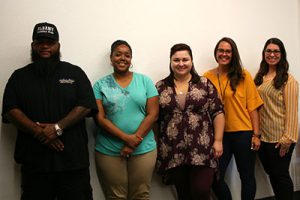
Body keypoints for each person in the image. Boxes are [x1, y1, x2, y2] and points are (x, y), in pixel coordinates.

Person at [1, 22, 98, 200]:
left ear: (58, 45)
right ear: (33, 45)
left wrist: (57, 128)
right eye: (40, 42)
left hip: (72, 164)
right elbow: (9, 110)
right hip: (35, 164)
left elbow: (86, 105)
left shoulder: (74, 73)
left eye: (50, 42)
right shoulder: (19, 76)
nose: (45, 46)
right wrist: (40, 132)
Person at [155, 43, 225, 200]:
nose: (181, 64)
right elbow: (155, 118)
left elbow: (218, 112)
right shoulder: (160, 87)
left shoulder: (204, 84)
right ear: (170, 62)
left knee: (201, 190)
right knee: (183, 193)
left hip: (202, 147)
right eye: (176, 60)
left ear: (191, 61)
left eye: (185, 59)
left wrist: (218, 140)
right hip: (173, 150)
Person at [93, 40, 159, 200]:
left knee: (141, 195)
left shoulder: (145, 81)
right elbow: (99, 118)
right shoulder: (99, 85)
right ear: (111, 58)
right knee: (116, 196)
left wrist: (134, 141)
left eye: (127, 55)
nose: (122, 58)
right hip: (109, 149)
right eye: (118, 54)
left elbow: (153, 114)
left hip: (143, 148)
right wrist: (126, 139)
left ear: (131, 59)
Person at [203, 37, 263, 200]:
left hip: (243, 133)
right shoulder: (206, 77)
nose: (224, 54)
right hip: (219, 136)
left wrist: (256, 135)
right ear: (216, 53)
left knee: (247, 177)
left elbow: (253, 107)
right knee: (215, 176)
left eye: (228, 51)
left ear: (233, 53)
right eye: (221, 50)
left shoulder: (244, 75)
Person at [254, 38, 298, 200]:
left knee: (281, 175)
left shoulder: (288, 80)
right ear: (264, 53)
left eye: (276, 51)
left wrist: (288, 138)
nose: (272, 54)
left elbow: (293, 111)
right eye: (269, 51)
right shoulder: (260, 77)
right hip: (263, 136)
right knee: (272, 174)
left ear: (282, 54)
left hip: (280, 138)